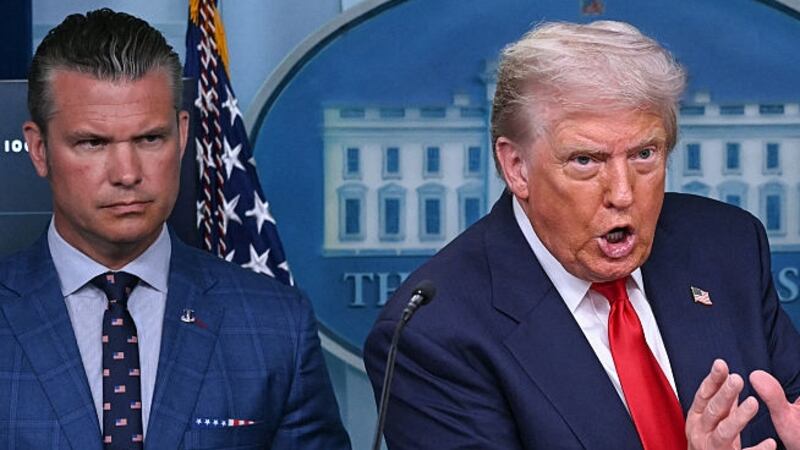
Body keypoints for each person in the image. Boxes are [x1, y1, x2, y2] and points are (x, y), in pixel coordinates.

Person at [364, 20, 800, 449]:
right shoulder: (434, 335)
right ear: (516, 167)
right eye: (586, 161)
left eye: (644, 154)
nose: (623, 193)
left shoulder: (727, 244)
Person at [0, 9, 350, 449]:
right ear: (38, 149)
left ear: (182, 136)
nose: (126, 173)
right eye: (92, 143)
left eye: (149, 139)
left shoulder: (275, 327)